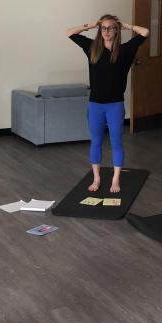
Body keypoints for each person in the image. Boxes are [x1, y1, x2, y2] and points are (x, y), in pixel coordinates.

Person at [66, 14, 149, 193]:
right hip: (95, 104)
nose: (107, 31)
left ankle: (115, 179)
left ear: (116, 30)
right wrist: (90, 25)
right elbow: (69, 33)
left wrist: (126, 25)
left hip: (115, 105)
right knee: (96, 141)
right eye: (103, 28)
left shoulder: (125, 50)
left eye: (111, 28)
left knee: (116, 141)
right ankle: (96, 178)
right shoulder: (92, 47)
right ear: (99, 30)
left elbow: (145, 32)